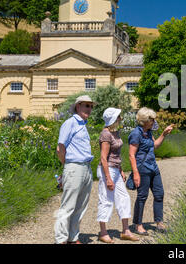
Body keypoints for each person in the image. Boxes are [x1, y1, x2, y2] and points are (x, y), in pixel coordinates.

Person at [54, 95, 95, 244]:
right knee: (68, 206)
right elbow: (60, 148)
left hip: (86, 167)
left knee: (81, 206)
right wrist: (67, 166)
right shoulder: (70, 123)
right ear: (78, 106)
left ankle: (73, 237)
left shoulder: (83, 125)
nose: (89, 109)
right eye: (86, 106)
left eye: (91, 106)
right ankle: (61, 240)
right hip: (74, 166)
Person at [128, 107, 174, 235]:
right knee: (142, 196)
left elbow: (154, 146)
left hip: (153, 167)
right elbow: (131, 155)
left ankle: (159, 223)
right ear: (145, 120)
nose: (154, 121)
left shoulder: (148, 132)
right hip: (142, 168)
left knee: (159, 194)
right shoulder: (136, 134)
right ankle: (138, 225)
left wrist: (163, 134)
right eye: (152, 119)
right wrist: (136, 173)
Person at [97, 107, 139, 243]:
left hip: (115, 169)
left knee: (124, 198)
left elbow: (115, 155)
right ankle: (103, 232)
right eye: (119, 117)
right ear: (113, 119)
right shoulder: (106, 134)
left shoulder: (115, 133)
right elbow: (104, 158)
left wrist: (120, 169)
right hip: (107, 170)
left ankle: (126, 231)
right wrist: (108, 177)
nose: (121, 119)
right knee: (106, 199)